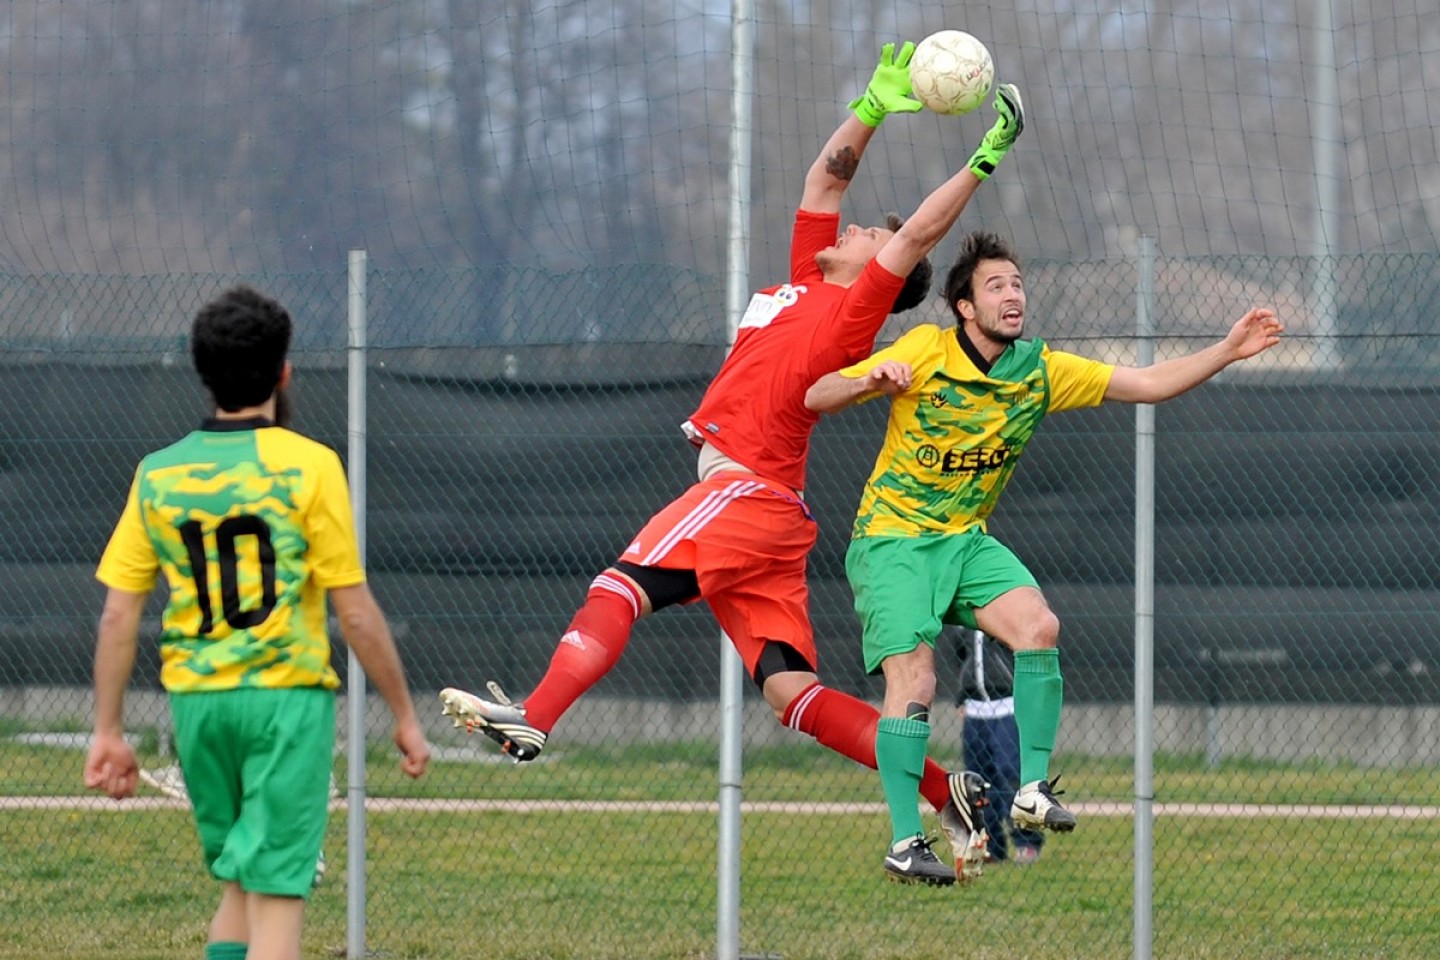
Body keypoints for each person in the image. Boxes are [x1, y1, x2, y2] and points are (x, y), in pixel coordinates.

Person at [438, 43, 1026, 887]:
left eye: (874, 234)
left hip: (744, 489)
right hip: (767, 513)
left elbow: (922, 232)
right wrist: (874, 105)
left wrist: (980, 160)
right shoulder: (802, 281)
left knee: (621, 585)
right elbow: (825, 181)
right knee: (793, 696)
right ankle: (947, 792)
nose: (858, 225)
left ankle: (535, 716)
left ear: (883, 274)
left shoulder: (856, 308)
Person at [805, 230, 1282, 844]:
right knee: (916, 680)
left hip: (964, 542)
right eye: (995, 286)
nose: (1013, 295)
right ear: (965, 308)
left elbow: (1146, 384)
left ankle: (1030, 793)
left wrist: (1225, 350)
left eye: (1018, 284)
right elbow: (818, 393)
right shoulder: (925, 349)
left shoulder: (1039, 370)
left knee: (1039, 627)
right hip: (892, 541)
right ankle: (905, 840)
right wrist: (871, 381)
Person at [83, 285, 431, 960]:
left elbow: (118, 615)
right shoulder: (310, 467)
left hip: (197, 709)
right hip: (283, 706)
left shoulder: (158, 475)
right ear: (283, 373)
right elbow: (353, 611)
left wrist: (107, 729)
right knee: (277, 901)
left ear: (202, 374)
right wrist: (405, 715)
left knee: (243, 883)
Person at [953, 627, 1043, 864]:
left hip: (1008, 705)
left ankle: (1027, 842)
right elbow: (962, 656)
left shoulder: (1007, 612)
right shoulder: (962, 622)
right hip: (975, 709)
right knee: (977, 780)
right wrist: (962, 696)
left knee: (1010, 772)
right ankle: (991, 845)